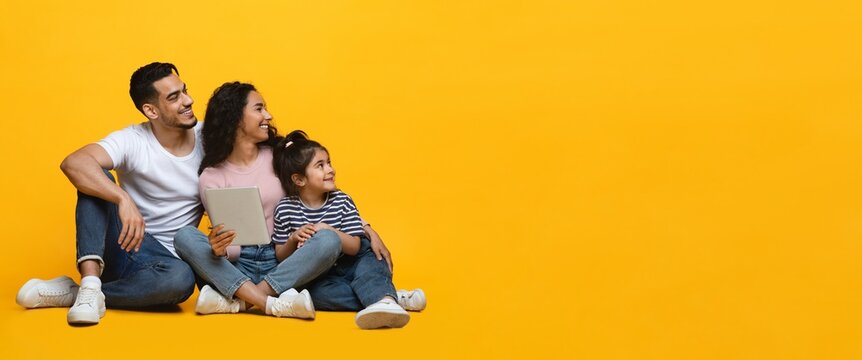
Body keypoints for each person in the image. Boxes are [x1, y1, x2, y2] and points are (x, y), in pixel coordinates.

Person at [15, 62, 200, 325]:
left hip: (166, 267)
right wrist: (122, 198)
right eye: (174, 97)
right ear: (151, 110)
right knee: (95, 176)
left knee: (181, 280)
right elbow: (74, 162)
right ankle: (90, 283)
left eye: (184, 91)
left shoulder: (208, 138)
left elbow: (251, 146)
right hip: (123, 246)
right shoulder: (134, 139)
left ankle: (78, 293)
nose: (188, 100)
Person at [272, 130, 426, 329]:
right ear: (299, 180)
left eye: (329, 162)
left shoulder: (342, 200)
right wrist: (293, 239)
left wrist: (327, 230)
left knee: (371, 264)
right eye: (320, 166)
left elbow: (354, 246)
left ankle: (383, 297)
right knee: (315, 295)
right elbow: (280, 257)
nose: (331, 169)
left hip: (354, 260)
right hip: (323, 274)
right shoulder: (285, 209)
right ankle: (387, 297)